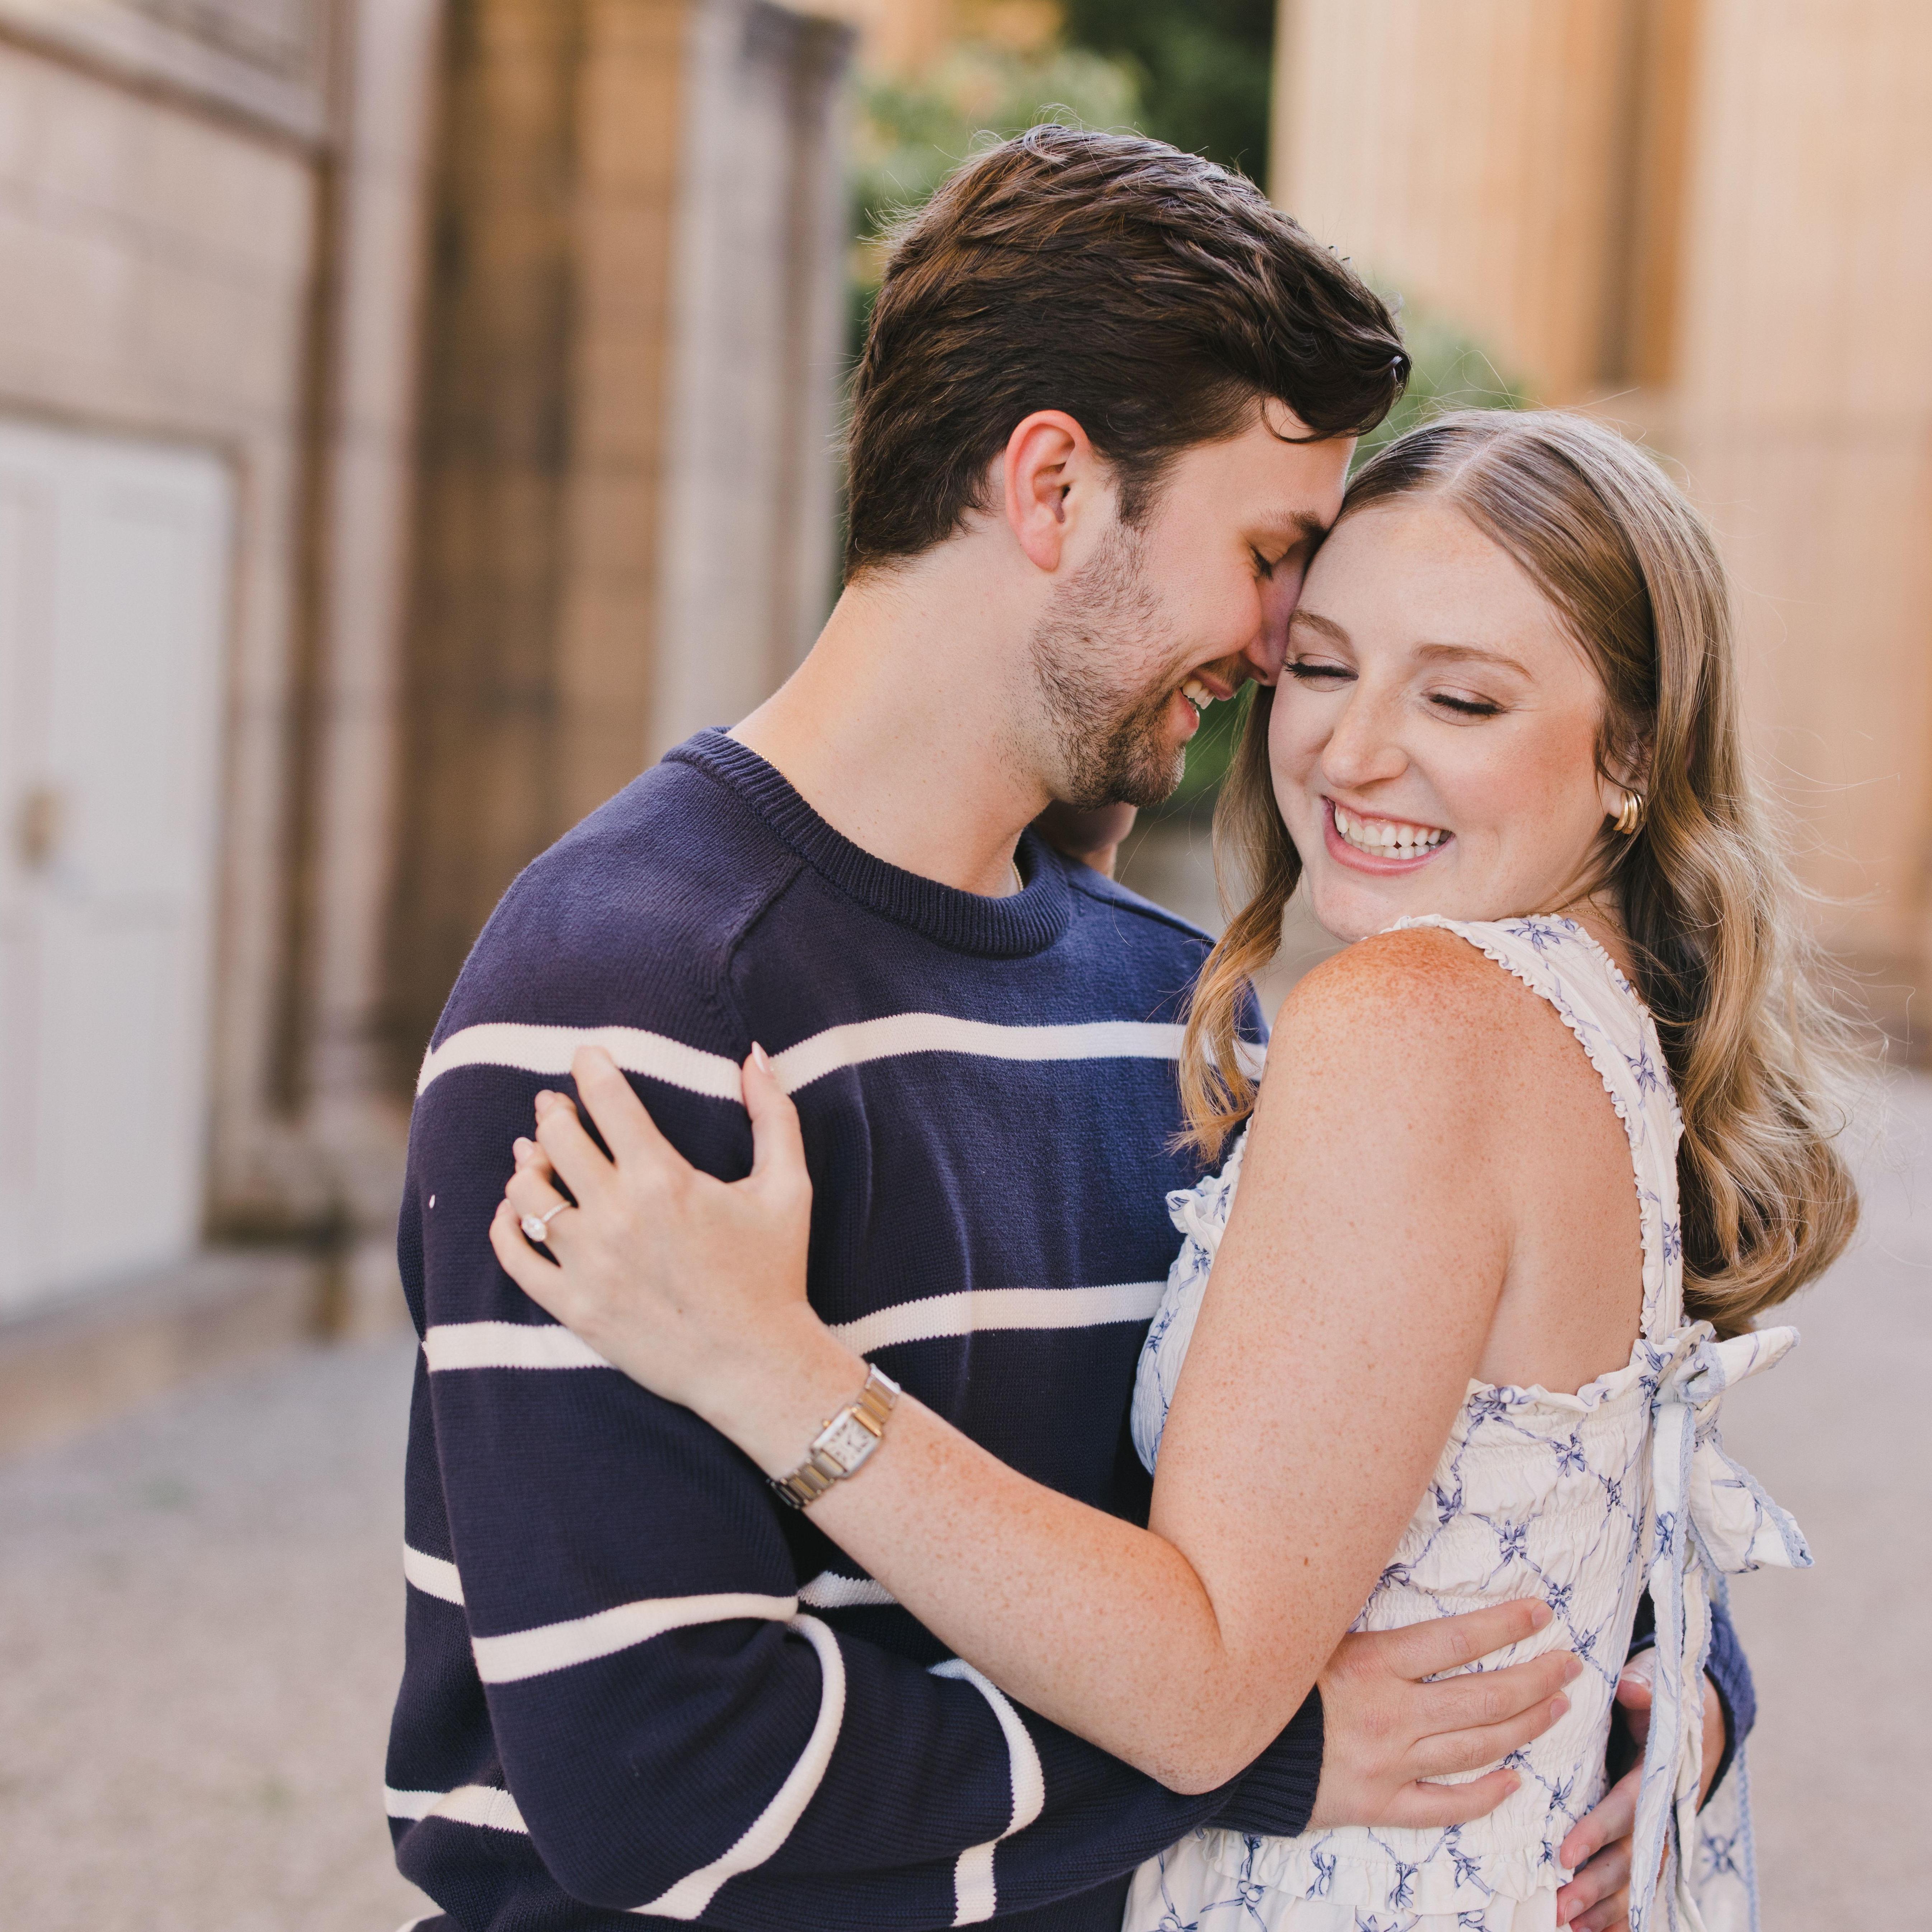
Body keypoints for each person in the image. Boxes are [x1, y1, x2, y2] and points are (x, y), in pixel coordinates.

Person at [388, 128, 1754, 1931]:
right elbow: (666, 1774)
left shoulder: (1158, 997)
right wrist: (1258, 1751)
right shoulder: (635, 994)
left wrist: (1658, 1685)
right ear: (1051, 488)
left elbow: (1377, 1451)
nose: (1285, 655)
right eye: (1277, 559)